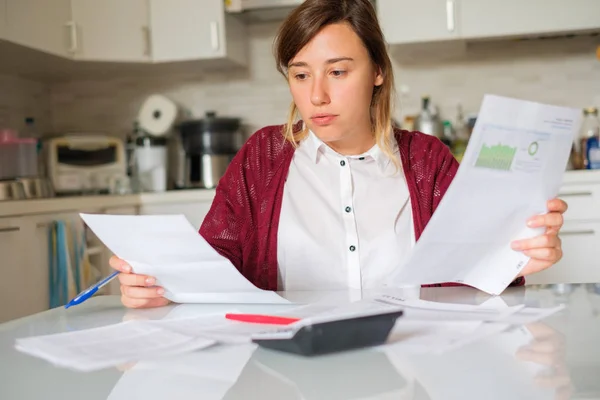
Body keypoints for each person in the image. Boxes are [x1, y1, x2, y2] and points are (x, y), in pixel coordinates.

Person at [110, 0, 567, 309]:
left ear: (378, 72)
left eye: (338, 71)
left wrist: (517, 260)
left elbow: (474, 273)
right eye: (301, 74)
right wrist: (161, 286)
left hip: (415, 374)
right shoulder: (262, 158)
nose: (318, 96)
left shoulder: (427, 161)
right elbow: (211, 266)